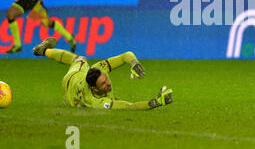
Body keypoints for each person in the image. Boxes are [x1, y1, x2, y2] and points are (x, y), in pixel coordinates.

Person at [32, 37, 173, 110]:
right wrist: (155, 102)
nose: (108, 83)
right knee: (78, 62)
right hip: (71, 81)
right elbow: (129, 106)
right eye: (103, 84)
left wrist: (134, 63)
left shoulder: (100, 68)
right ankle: (43, 51)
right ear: (94, 89)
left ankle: (43, 50)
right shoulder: (96, 102)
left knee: (80, 59)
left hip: (82, 74)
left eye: (106, 79)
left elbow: (126, 55)